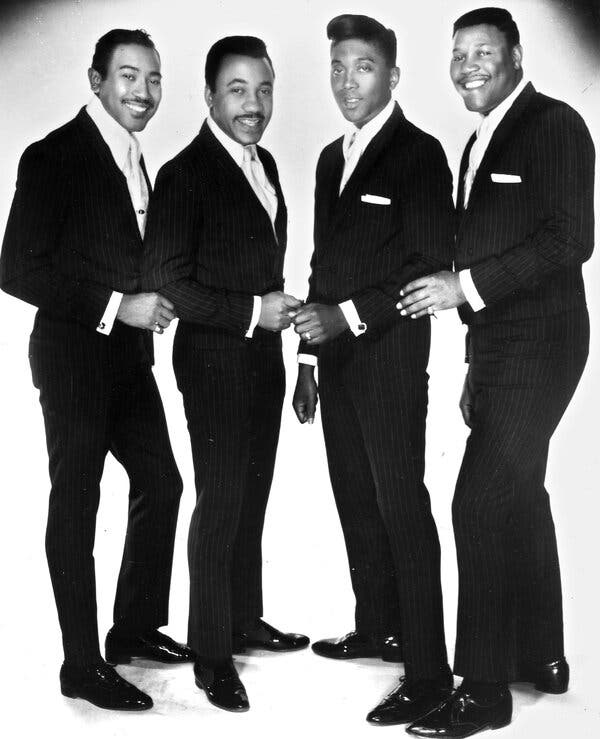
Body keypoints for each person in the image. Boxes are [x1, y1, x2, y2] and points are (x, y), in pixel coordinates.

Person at [398, 8, 595, 737]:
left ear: (516, 55)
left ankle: (483, 690)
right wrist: (476, 354)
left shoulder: (555, 125)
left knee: (477, 502)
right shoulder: (480, 140)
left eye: (484, 51)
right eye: (458, 54)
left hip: (543, 343)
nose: (468, 65)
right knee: (518, 490)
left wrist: (465, 287)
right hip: (503, 348)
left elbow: (572, 238)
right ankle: (542, 653)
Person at [0, 29, 193, 712]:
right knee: (77, 503)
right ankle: (80, 665)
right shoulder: (54, 155)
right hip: (74, 359)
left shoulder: (137, 158)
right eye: (129, 77)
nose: (143, 93)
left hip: (126, 359)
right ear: (96, 80)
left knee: (162, 482)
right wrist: (119, 304)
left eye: (154, 79)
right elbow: (16, 266)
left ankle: (133, 628)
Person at [291, 14, 455, 725]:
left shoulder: (421, 154)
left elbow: (426, 268)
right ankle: (377, 626)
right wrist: (307, 356)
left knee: (402, 509)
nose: (346, 81)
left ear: (392, 75)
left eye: (361, 67)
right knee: (356, 501)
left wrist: (348, 318)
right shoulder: (332, 157)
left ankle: (427, 672)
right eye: (336, 67)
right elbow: (323, 263)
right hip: (336, 362)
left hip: (389, 361)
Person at [143, 35, 308, 713]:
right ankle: (212, 653)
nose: (254, 104)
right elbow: (165, 283)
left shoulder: (262, 161)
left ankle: (242, 618)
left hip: (260, 358)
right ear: (208, 96)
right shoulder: (185, 174)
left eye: (264, 89)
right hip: (214, 361)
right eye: (237, 89)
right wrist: (252, 311)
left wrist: (270, 323)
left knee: (252, 492)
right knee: (221, 501)